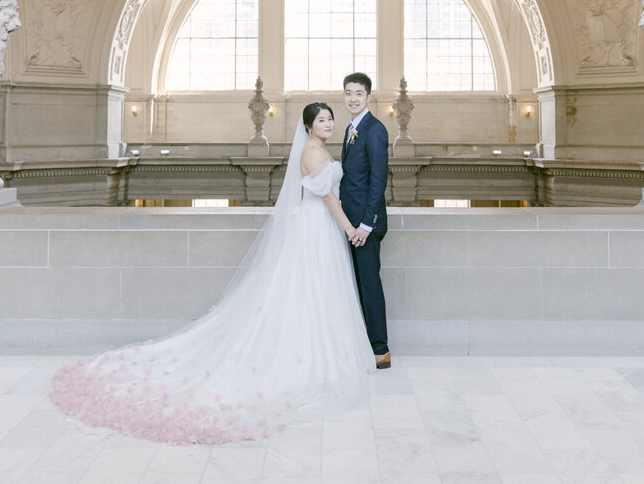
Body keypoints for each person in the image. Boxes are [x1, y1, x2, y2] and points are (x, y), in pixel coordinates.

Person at [50, 103, 375, 444]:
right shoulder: (313, 152)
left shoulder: (319, 149)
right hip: (316, 226)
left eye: (330, 119)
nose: (328, 124)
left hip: (316, 227)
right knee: (311, 289)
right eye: (322, 120)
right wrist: (351, 229)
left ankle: (320, 349)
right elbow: (329, 201)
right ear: (309, 126)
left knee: (316, 292)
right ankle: (312, 356)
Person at [339, 72, 391, 369]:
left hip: (365, 225)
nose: (353, 98)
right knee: (357, 284)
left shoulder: (374, 129)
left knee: (370, 284)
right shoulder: (351, 128)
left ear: (368, 96)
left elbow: (378, 180)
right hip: (352, 221)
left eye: (358, 93)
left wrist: (366, 225)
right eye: (348, 93)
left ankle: (380, 350)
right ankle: (364, 345)